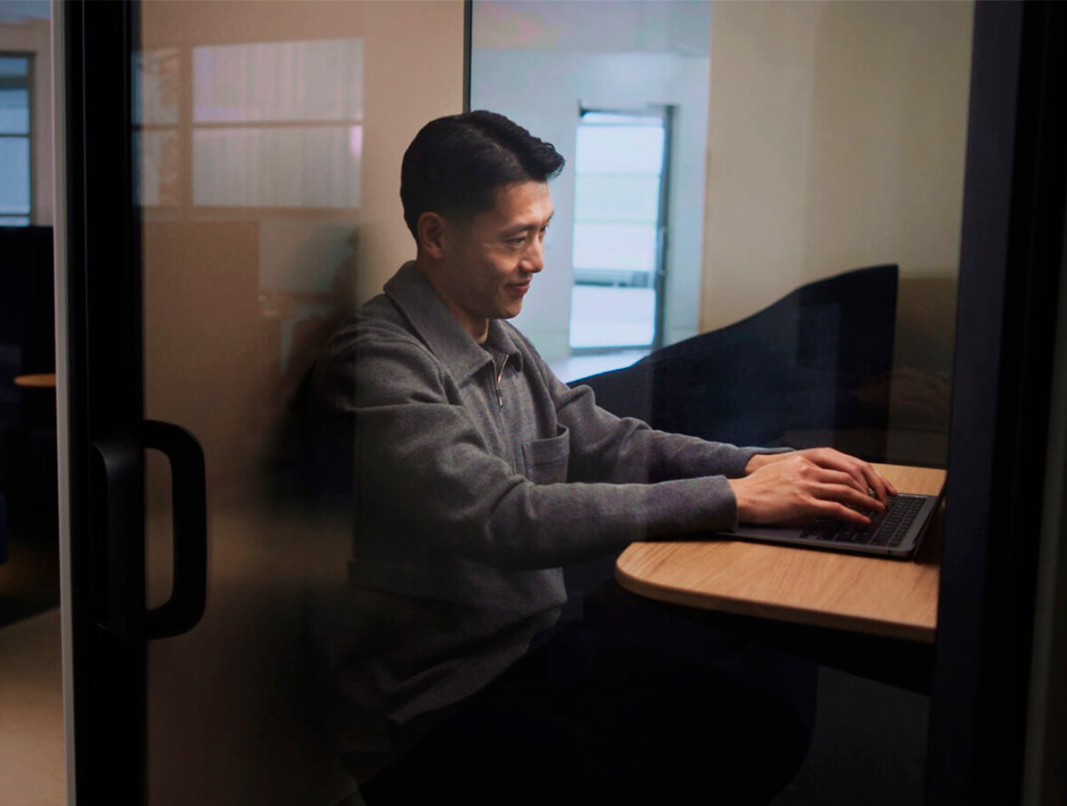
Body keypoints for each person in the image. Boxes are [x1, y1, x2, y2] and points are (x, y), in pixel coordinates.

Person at [292, 110, 897, 804]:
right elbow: (502, 518)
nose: (539, 260)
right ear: (435, 234)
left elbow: (610, 441)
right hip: (438, 707)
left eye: (543, 231)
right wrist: (732, 500)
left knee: (757, 713)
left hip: (535, 652)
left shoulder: (497, 336)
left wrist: (753, 466)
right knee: (708, 752)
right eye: (517, 238)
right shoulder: (375, 361)